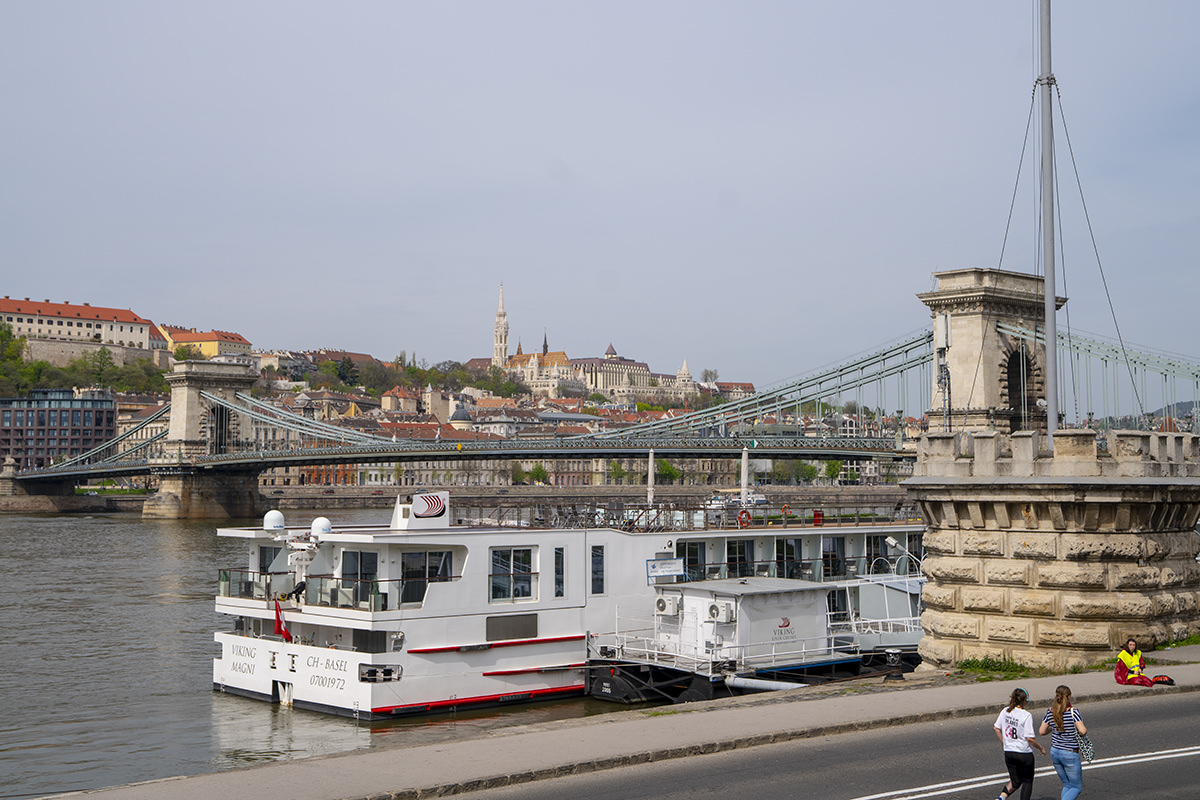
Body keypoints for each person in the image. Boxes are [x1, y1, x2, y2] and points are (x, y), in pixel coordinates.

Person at [993, 687, 1046, 800]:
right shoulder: (1026, 715)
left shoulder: (1005, 711)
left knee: (1016, 780)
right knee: (1027, 781)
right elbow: (1029, 738)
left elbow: (996, 728)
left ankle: (1001, 798)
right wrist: (1041, 748)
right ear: (1024, 701)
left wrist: (1004, 742)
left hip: (1009, 752)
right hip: (1023, 753)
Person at [1039, 684, 1087, 800]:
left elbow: (1041, 731)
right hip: (1069, 753)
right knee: (1076, 787)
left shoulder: (1050, 711)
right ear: (1069, 697)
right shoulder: (1073, 712)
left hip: (1055, 752)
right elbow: (1083, 731)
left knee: (1067, 784)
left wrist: (1055, 727)